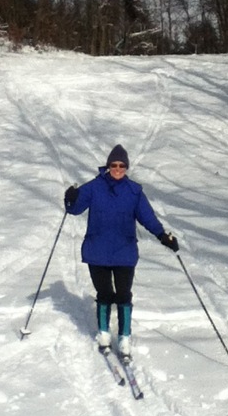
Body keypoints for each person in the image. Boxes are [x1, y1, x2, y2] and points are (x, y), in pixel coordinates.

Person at [64, 144, 179, 359]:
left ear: (126, 167)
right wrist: (70, 198)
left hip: (124, 252)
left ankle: (124, 338)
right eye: (114, 165)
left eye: (122, 165)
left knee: (124, 295)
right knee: (105, 294)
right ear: (108, 166)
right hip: (97, 251)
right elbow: (74, 209)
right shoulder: (94, 187)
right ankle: (104, 334)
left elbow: (147, 218)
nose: (118, 169)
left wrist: (163, 236)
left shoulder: (134, 191)